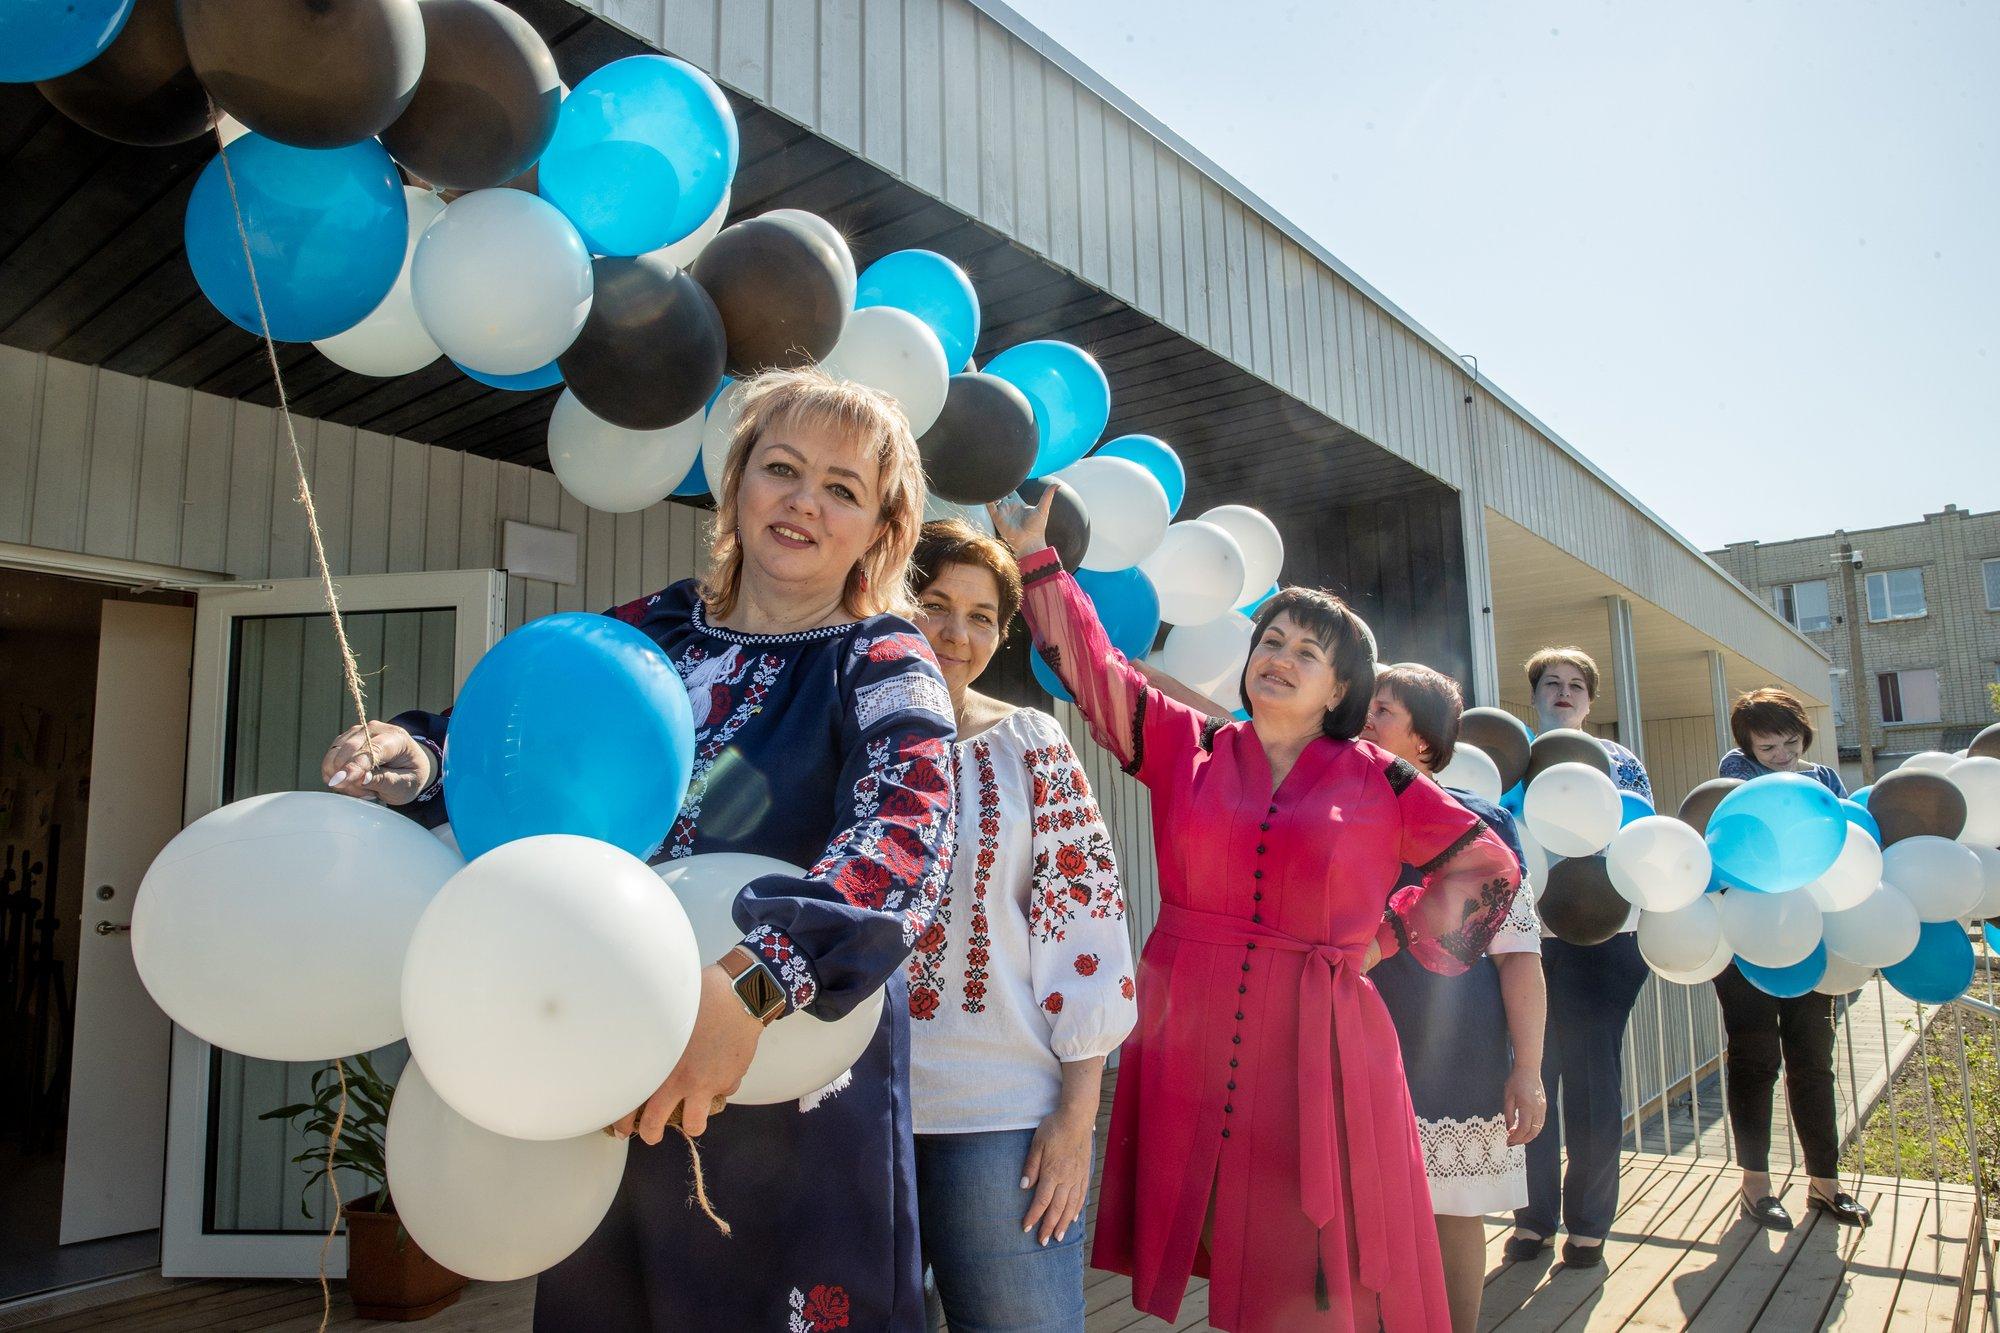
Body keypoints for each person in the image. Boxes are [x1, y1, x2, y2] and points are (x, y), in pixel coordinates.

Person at [320, 368, 955, 1331]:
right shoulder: (647, 631)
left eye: (843, 488)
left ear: (880, 528)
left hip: (786, 1074)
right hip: (606, 1055)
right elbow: (517, 739)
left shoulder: (881, 659)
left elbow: (905, 836)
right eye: (781, 468)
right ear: (737, 482)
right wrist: (417, 756)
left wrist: (752, 986)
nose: (803, 502)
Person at [991, 491, 1522, 1332]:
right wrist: (1038, 563)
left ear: (1341, 686)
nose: (1280, 656)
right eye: (1269, 640)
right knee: (1224, 1239)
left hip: (1324, 1037)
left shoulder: (1383, 779)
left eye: (1307, 651)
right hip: (1190, 1024)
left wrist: (1387, 937)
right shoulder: (1187, 743)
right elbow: (1099, 673)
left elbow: (1491, 869)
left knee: (1317, 1259)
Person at [905, 519, 1138, 1331]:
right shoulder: (844, 732)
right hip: (851, 1112)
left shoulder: (1030, 743)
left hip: (998, 1121)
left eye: (980, 616)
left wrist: (1077, 1118)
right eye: (933, 604)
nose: (954, 634)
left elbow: (1086, 926)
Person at [1362, 664, 1546, 1333]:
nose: (1362, 720)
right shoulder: (1333, 810)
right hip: (1354, 1050)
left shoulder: (1482, 822)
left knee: (1452, 1212)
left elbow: (1521, 958)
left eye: (1380, 710)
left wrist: (1527, 1067)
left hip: (1456, 1058)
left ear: (1426, 741)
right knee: (1356, 1216)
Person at [1508, 646, 1652, 1268]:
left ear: (1590, 701)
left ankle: (1589, 1224)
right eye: (1550, 683)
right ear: (1534, 695)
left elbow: (1641, 839)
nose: (1563, 692)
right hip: (1525, 944)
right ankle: (1532, 1219)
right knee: (1529, 1080)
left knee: (1593, 1085)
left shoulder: (1620, 763)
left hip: (1604, 942)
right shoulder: (1512, 759)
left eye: (1575, 685)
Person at [1712, 688, 1870, 1231]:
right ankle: (1755, 1185)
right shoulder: (1734, 777)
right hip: (1747, 941)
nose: (1781, 755)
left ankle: (1825, 1183)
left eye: (1789, 742)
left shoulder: (1825, 780)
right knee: (1755, 1061)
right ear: (1748, 749)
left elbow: (1846, 847)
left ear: (1804, 734)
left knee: (1814, 1060)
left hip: (1810, 938)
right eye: (1767, 746)